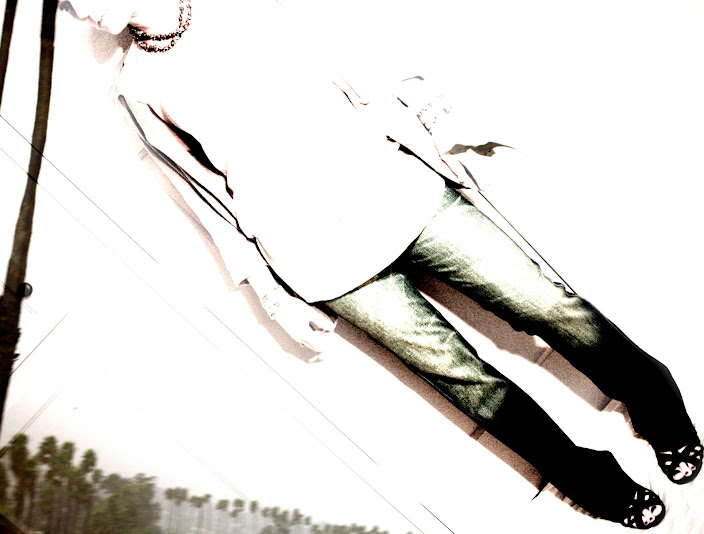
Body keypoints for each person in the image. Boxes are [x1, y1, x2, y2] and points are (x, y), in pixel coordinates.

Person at [65, 0, 701, 529]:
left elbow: (358, 65)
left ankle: (658, 407)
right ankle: (587, 481)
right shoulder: (134, 87)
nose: (83, 11)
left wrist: (437, 130)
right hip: (314, 255)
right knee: (466, 382)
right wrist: (275, 296)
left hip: (398, 192)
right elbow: (208, 199)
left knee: (548, 305)